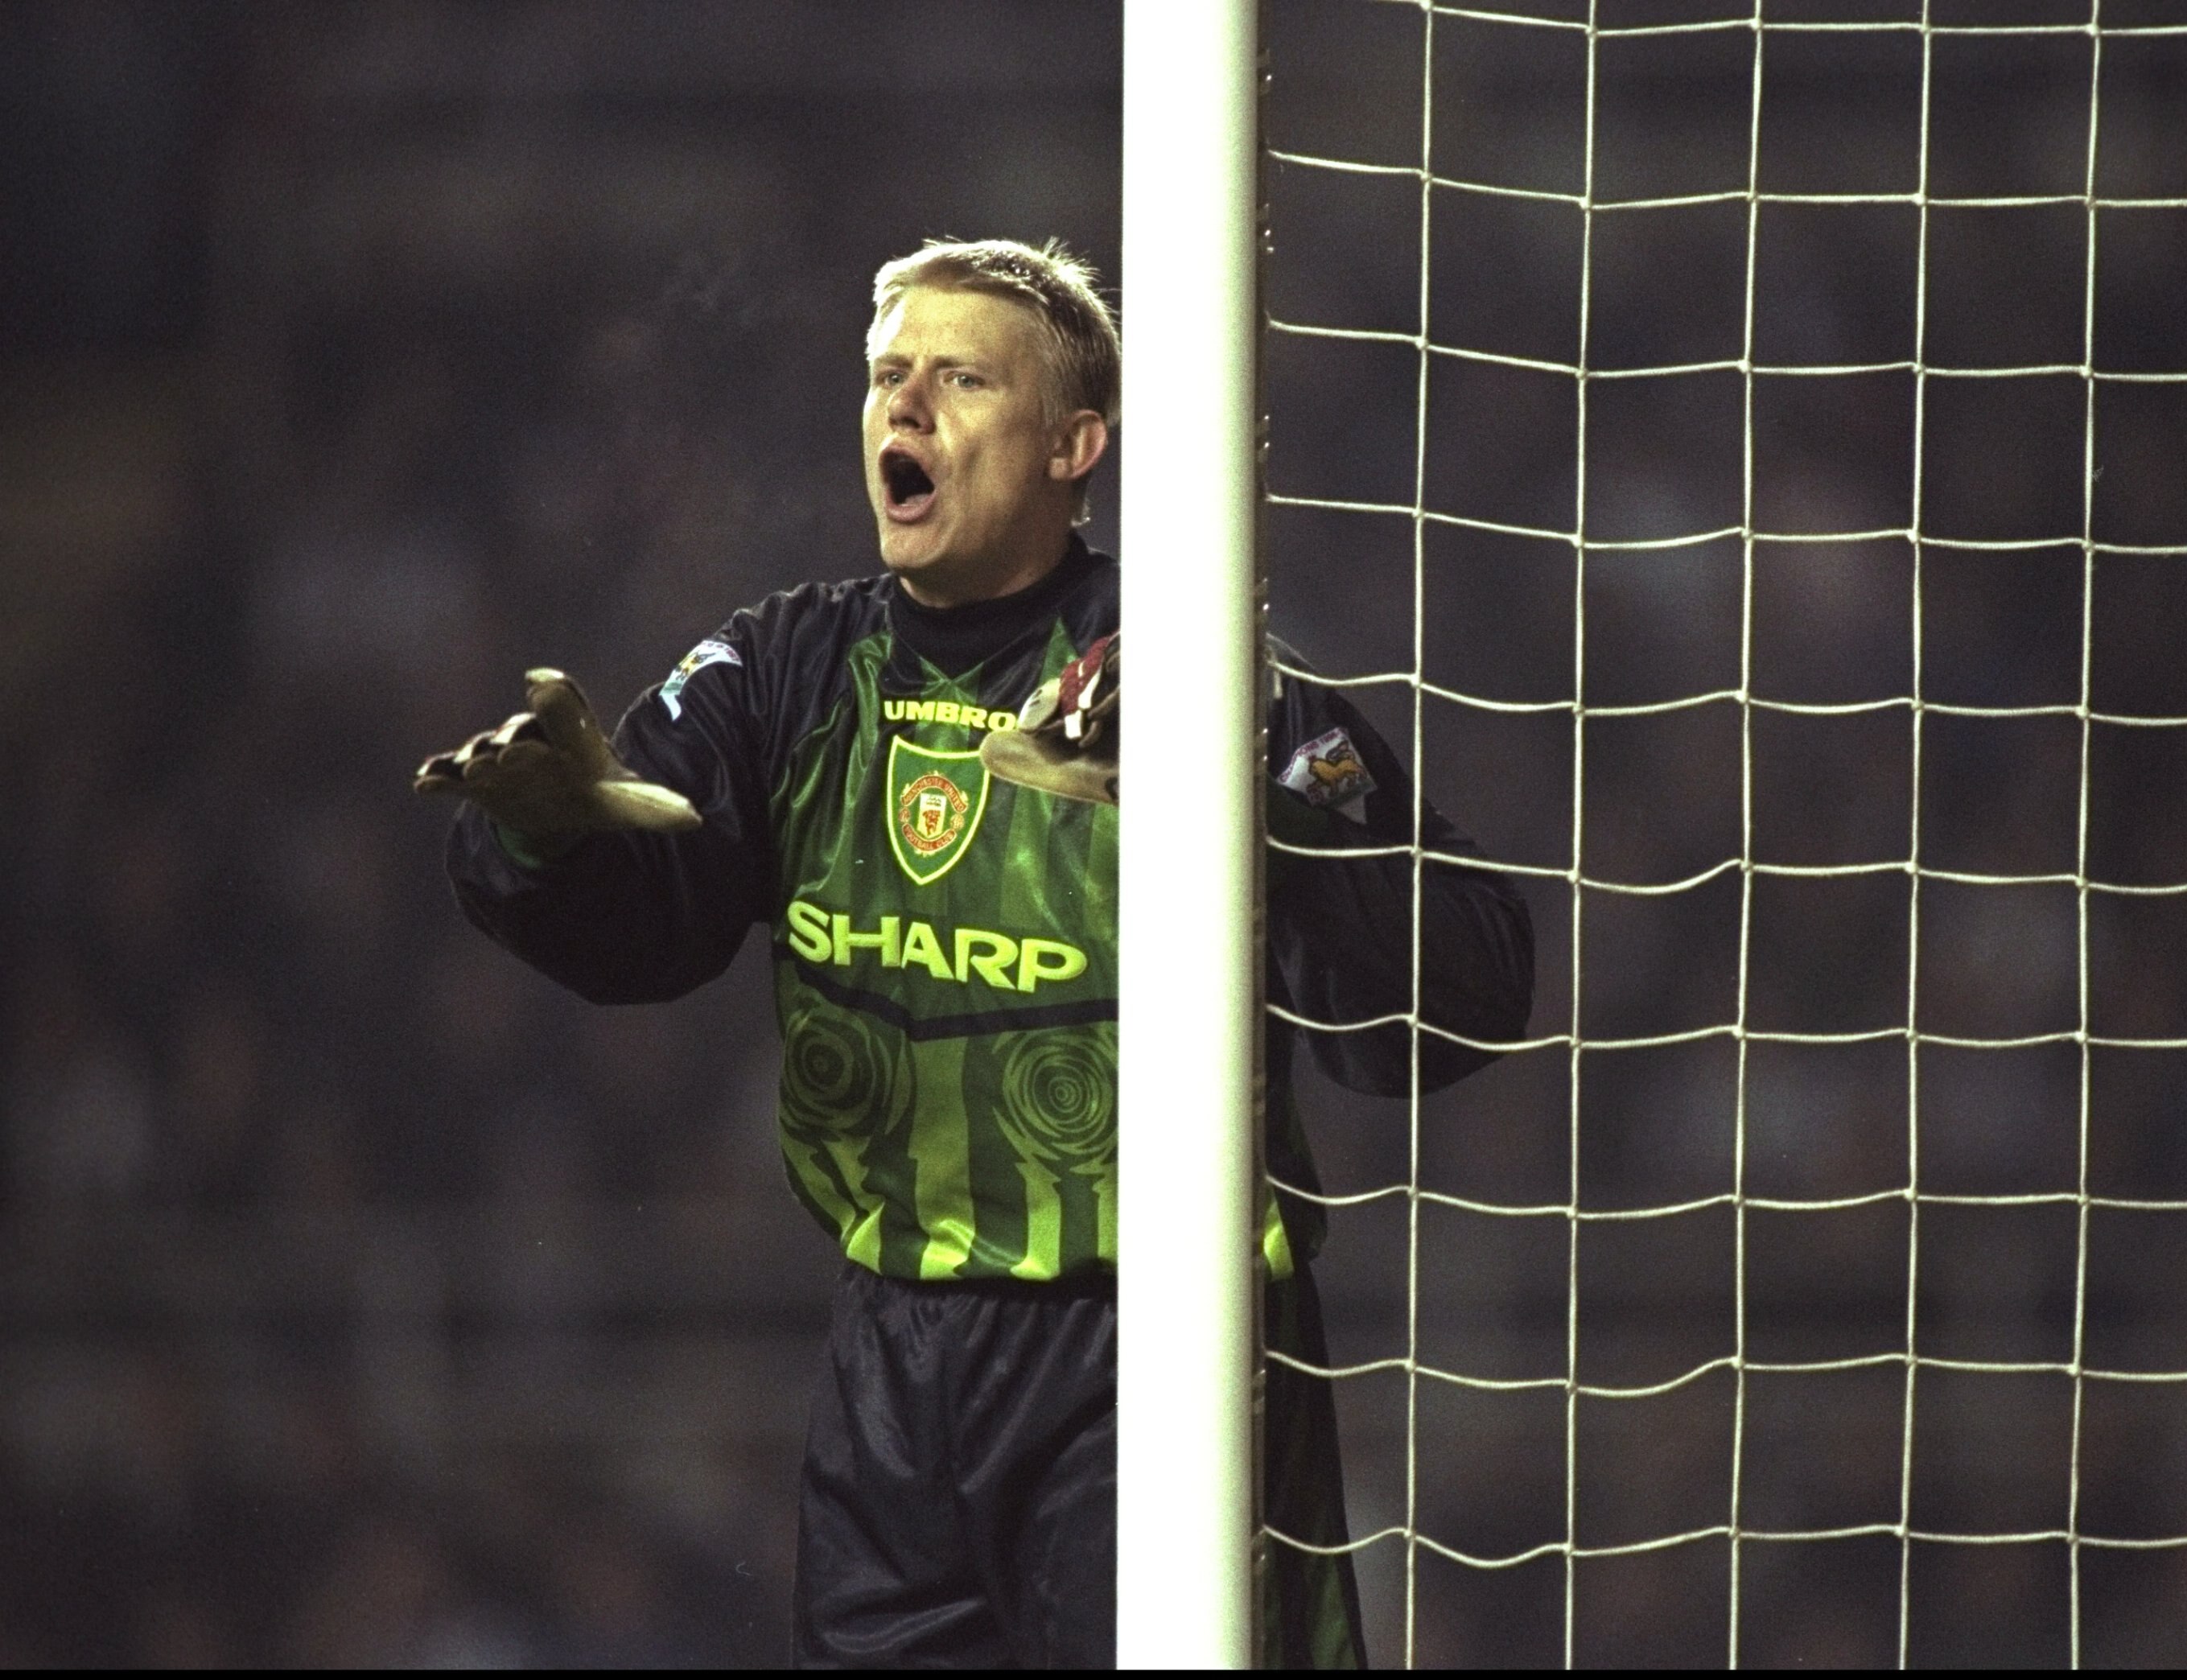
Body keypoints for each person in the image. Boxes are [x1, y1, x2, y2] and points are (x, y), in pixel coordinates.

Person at [415, 237, 1534, 1669]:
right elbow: (651, 926)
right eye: (889, 376)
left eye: (959, 378)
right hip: (896, 1368)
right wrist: (541, 836)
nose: (906, 408)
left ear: (1078, 444)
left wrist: (1258, 777)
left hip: (1158, 1349)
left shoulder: (1188, 674)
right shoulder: (786, 671)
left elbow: (1465, 999)